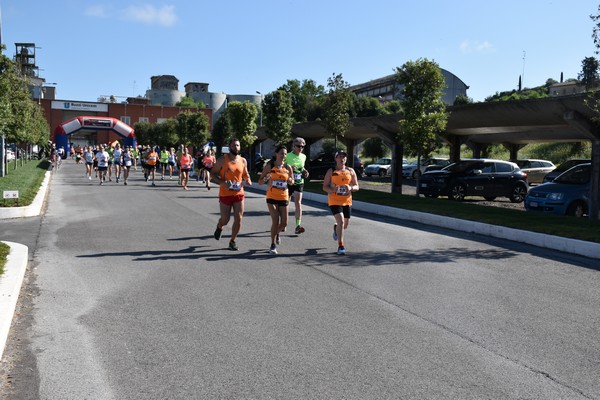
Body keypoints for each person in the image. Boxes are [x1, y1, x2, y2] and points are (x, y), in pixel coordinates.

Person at [211, 138, 252, 251]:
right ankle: (220, 227)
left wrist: (247, 179)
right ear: (230, 147)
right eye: (234, 146)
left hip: (239, 193)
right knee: (225, 219)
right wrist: (222, 183)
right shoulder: (222, 160)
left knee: (238, 218)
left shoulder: (243, 160)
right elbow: (213, 173)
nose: (236, 148)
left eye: (238, 145)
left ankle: (232, 241)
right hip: (225, 194)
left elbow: (245, 173)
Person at [258, 144, 294, 254]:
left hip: (284, 196)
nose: (283, 155)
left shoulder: (288, 167)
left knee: (284, 224)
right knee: (275, 220)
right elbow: (260, 181)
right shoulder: (270, 165)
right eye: (281, 153)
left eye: (285, 154)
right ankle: (272, 244)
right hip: (272, 196)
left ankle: (276, 233)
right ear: (276, 154)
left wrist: (289, 180)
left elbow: (292, 181)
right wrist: (266, 178)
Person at [322, 150, 359, 255]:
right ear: (336, 158)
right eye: (340, 157)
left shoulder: (350, 171)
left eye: (344, 157)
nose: (342, 159)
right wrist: (332, 190)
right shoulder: (331, 171)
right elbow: (324, 186)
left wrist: (350, 187)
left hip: (347, 201)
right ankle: (341, 246)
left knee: (345, 225)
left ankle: (336, 228)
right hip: (334, 200)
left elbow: (357, 186)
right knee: (341, 222)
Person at [285, 137, 310, 234]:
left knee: (298, 203)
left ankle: (298, 225)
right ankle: (284, 222)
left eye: (302, 146)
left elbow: (302, 167)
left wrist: (305, 171)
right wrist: (290, 168)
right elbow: (281, 168)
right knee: (286, 203)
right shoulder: (287, 156)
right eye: (299, 146)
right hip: (288, 182)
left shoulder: (303, 156)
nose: (301, 148)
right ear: (293, 146)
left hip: (299, 182)